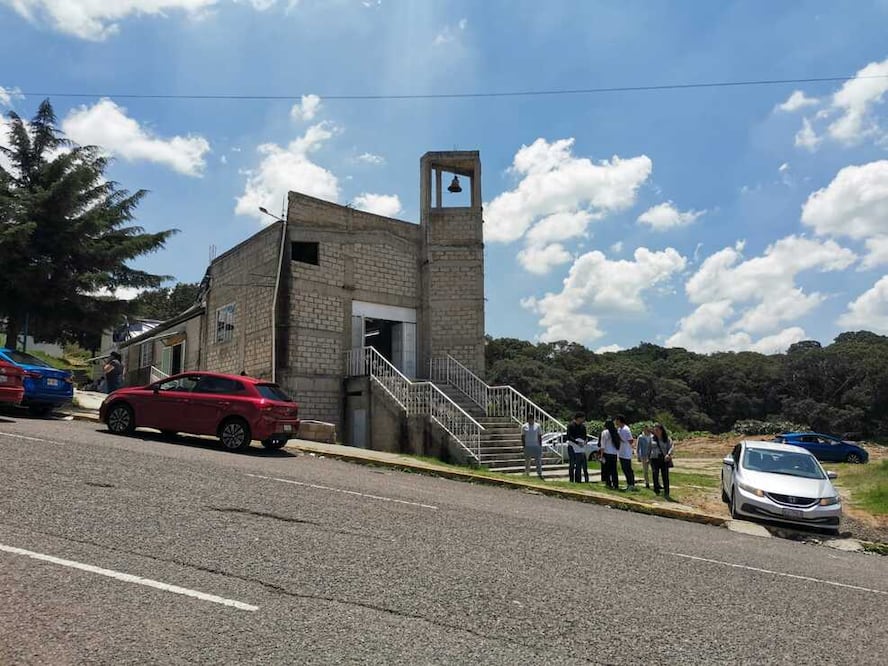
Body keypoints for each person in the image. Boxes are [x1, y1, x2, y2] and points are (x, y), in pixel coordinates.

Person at [650, 423, 675, 499]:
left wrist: (668, 454)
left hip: (664, 459)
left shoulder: (667, 438)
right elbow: (649, 448)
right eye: (655, 430)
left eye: (657, 430)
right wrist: (647, 457)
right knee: (655, 474)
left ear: (661, 430)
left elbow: (671, 447)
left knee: (665, 475)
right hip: (654, 458)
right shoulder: (652, 438)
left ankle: (666, 492)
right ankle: (656, 491)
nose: (656, 431)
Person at [615, 415, 637, 491]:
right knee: (624, 469)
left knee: (628, 469)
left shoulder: (626, 429)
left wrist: (621, 440)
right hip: (621, 452)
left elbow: (631, 440)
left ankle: (632, 484)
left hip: (626, 452)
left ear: (619, 420)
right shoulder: (619, 429)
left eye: (616, 420)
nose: (615, 422)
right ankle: (628, 484)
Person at [566, 412, 588, 483]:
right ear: (578, 418)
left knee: (578, 464)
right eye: (582, 418)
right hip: (572, 446)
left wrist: (585, 441)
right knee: (572, 463)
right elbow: (569, 436)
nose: (583, 420)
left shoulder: (583, 426)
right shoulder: (570, 425)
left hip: (580, 447)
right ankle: (571, 479)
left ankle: (578, 480)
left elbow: (585, 436)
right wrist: (577, 442)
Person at [599, 419, 621, 489]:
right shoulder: (615, 431)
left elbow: (602, 445)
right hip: (614, 453)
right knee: (614, 470)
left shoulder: (604, 432)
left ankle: (608, 483)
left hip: (606, 453)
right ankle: (616, 484)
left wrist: (601, 455)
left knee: (607, 470)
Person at [522, 413, 544, 480]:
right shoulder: (524, 426)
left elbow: (539, 436)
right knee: (527, 461)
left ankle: (539, 474)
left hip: (536, 445)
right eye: (529, 419)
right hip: (528, 446)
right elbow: (523, 436)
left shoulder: (537, 426)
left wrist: (540, 445)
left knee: (538, 461)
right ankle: (527, 473)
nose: (530, 420)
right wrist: (524, 445)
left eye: (531, 419)